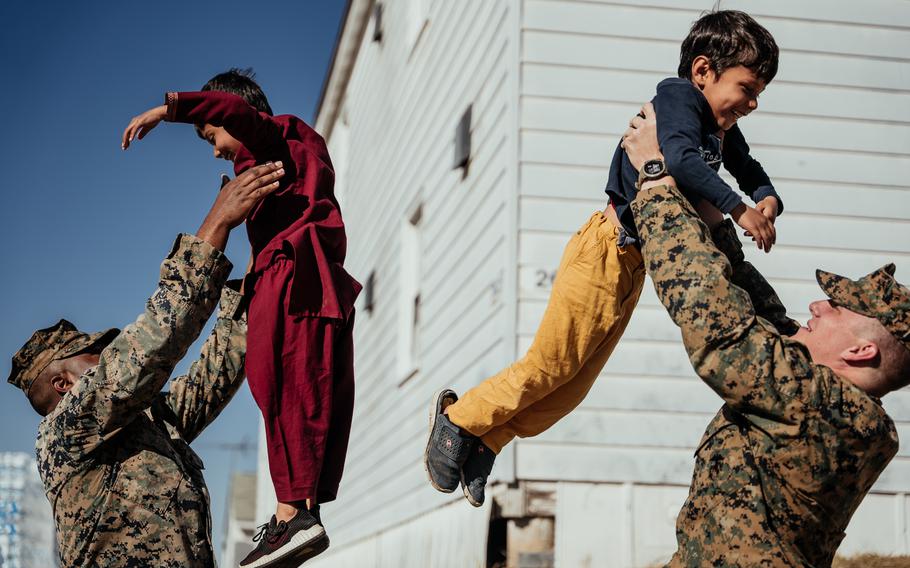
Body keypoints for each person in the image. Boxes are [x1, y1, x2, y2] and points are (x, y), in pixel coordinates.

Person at [424, 10, 782, 509]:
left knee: (575, 385)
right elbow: (675, 159)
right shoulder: (678, 100)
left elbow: (749, 168)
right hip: (604, 250)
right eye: (747, 87)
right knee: (552, 363)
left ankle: (488, 440)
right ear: (703, 71)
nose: (753, 101)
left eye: (760, 91)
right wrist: (739, 209)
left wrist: (767, 197)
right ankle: (458, 420)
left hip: (633, 264)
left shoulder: (721, 129)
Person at [622, 102, 910, 566]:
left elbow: (713, 316)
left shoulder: (820, 405)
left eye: (835, 308)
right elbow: (764, 315)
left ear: (861, 350)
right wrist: (716, 219)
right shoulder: (842, 406)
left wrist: (655, 180)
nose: (817, 306)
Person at [122, 69, 360, 567]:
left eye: (211, 136)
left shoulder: (275, 136)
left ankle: (296, 516)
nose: (214, 149)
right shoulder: (288, 153)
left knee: (285, 382)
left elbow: (238, 116)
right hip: (308, 280)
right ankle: (294, 512)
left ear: (230, 112)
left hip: (293, 275)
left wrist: (168, 110)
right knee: (289, 386)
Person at [7, 163, 285, 567]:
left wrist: (255, 275)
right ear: (65, 385)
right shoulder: (67, 430)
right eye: (97, 357)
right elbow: (155, 340)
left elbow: (214, 375)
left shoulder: (143, 424)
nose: (110, 357)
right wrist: (218, 223)